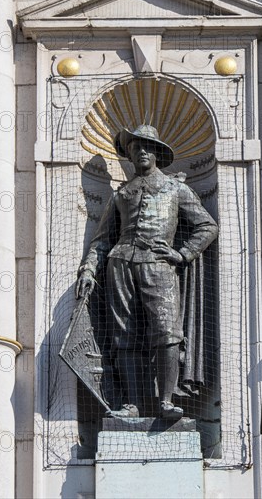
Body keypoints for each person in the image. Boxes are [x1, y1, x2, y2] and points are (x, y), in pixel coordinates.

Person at [75, 124, 218, 418]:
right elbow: (101, 240)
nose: (141, 151)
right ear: (128, 154)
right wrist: (89, 269)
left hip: (159, 265)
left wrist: (181, 253)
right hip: (121, 264)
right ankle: (132, 404)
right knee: (124, 334)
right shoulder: (121, 194)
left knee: (167, 331)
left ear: (157, 153)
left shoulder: (176, 189)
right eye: (135, 147)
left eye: (147, 146)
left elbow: (207, 225)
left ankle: (166, 400)